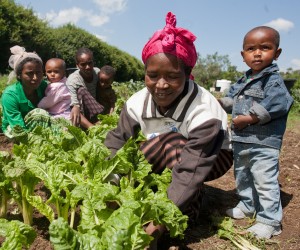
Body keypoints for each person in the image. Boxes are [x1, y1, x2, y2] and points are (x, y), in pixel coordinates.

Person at [104, 12, 232, 248]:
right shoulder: (135, 103)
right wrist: (104, 187)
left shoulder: (204, 111)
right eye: (152, 76)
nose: (161, 85)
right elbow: (116, 143)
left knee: (172, 143)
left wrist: (158, 222)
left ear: (187, 75)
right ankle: (162, 194)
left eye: (173, 77)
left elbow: (191, 168)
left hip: (212, 157)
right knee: (140, 152)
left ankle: (184, 215)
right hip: (165, 145)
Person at [219, 26, 294, 239]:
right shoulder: (243, 80)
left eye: (265, 47)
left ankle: (270, 221)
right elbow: (232, 98)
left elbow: (279, 103)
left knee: (264, 180)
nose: (258, 53)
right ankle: (248, 205)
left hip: (264, 142)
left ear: (277, 53)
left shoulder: (273, 81)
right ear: (243, 55)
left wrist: (249, 118)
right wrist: (220, 103)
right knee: (243, 176)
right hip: (242, 140)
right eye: (251, 49)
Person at [1, 46, 64, 137]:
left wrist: (75, 106)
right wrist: (35, 141)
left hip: (37, 124)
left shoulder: (43, 86)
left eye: (38, 72)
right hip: (14, 127)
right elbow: (17, 127)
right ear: (19, 75)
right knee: (39, 113)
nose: (35, 78)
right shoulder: (10, 95)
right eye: (29, 73)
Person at [38, 58, 94, 129]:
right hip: (67, 113)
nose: (52, 74)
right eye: (49, 72)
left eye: (56, 72)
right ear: (45, 73)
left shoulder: (57, 86)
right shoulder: (65, 82)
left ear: (64, 73)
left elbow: (47, 102)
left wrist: (38, 106)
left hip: (60, 114)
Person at [66, 47, 104, 126]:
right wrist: (93, 128)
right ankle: (93, 124)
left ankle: (102, 119)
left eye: (90, 63)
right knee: (81, 91)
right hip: (83, 113)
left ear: (93, 62)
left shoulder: (97, 72)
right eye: (83, 64)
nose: (87, 67)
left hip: (99, 108)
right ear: (77, 65)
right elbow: (75, 108)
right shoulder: (73, 80)